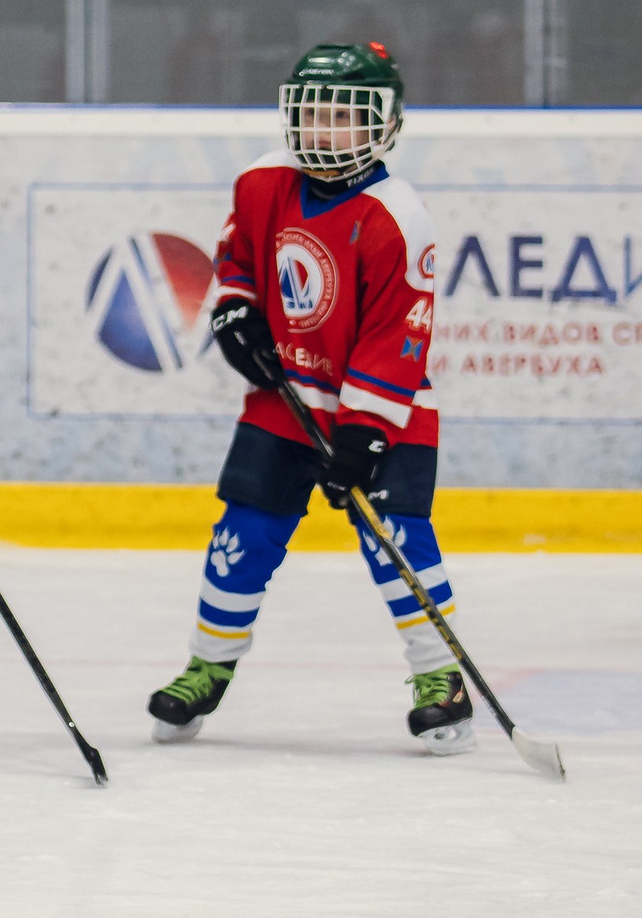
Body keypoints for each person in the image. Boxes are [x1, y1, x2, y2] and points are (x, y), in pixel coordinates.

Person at [147, 42, 469, 750]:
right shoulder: (262, 183)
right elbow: (238, 260)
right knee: (243, 535)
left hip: (383, 410)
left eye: (345, 118)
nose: (325, 132)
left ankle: (440, 677)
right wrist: (234, 308)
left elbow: (398, 336)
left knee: (399, 543)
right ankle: (208, 666)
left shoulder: (396, 216)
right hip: (284, 399)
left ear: (384, 126)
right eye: (314, 115)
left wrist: (365, 432)